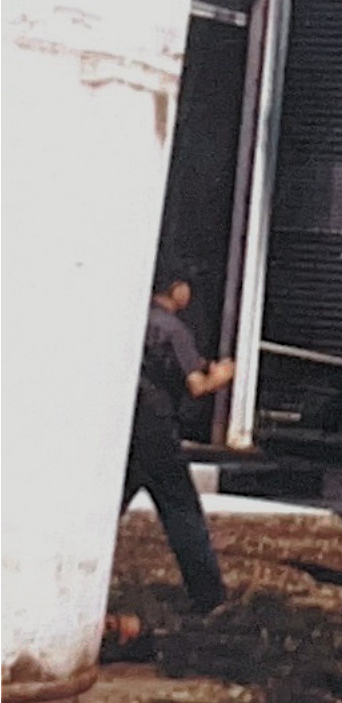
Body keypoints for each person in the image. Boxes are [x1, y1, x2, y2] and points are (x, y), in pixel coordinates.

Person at [121, 262, 235, 615]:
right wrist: (224, 375)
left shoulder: (135, 321)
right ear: (177, 288)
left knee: (110, 507)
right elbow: (197, 385)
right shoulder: (174, 329)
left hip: (128, 428)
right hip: (159, 432)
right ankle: (209, 595)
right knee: (182, 511)